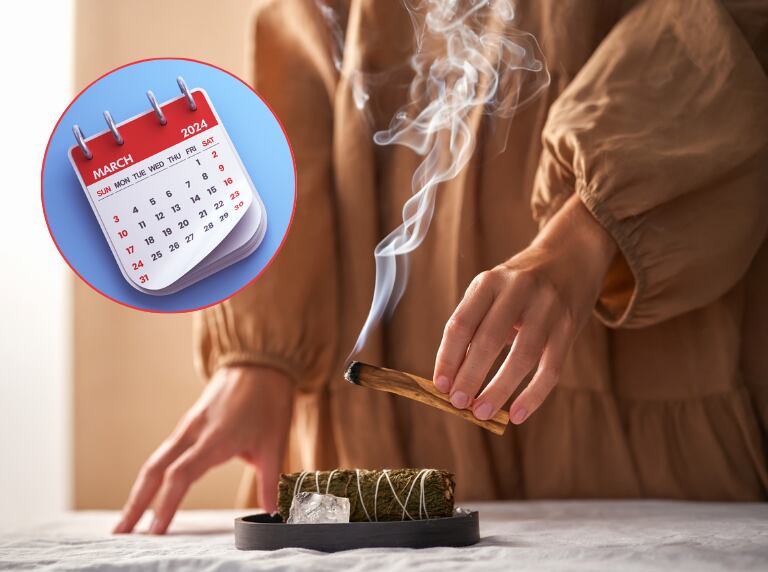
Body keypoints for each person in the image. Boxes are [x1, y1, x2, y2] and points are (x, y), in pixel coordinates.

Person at [114, 0, 768, 535]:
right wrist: (258, 354)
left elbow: (730, 32)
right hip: (372, 442)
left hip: (632, 397)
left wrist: (588, 233)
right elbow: (303, 59)